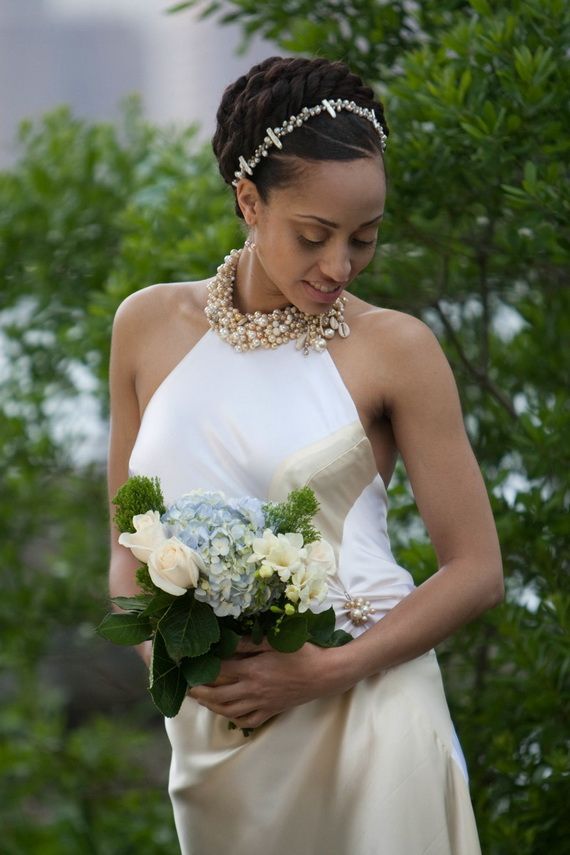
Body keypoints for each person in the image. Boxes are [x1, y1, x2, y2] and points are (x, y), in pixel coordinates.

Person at [107, 56, 503, 855]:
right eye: (314, 235)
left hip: (372, 710)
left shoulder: (398, 350)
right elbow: (127, 556)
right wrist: (182, 677)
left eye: (365, 237)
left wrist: (322, 671)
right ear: (249, 201)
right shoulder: (146, 327)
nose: (340, 266)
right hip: (219, 740)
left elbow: (477, 569)